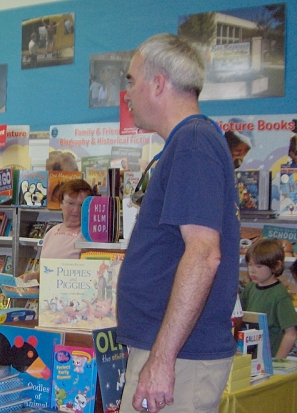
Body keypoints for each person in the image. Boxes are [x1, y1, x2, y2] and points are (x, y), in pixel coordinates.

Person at [116, 33, 240, 413]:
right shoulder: (191, 142)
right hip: (173, 353)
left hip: (180, 358)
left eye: (131, 81)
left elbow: (204, 255)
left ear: (158, 83)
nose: (128, 94)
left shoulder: (193, 143)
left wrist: (162, 359)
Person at [20, 179, 93, 282]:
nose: (76, 210)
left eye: (81, 205)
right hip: (49, 296)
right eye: (70, 203)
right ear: (61, 204)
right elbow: (48, 273)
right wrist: (33, 277)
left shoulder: (89, 236)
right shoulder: (52, 232)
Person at [241, 238, 297, 358]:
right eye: (250, 265)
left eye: (259, 266)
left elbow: (291, 334)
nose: (252, 270)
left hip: (269, 360)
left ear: (276, 266)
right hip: (249, 356)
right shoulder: (250, 288)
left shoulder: (280, 295)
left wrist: (277, 362)